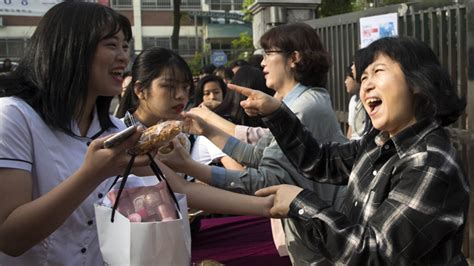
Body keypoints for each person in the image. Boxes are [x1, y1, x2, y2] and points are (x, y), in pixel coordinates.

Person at [0, 2, 272, 265]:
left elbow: (180, 188)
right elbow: (10, 238)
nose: (123, 56)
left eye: (125, 46)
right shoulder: (14, 117)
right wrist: (92, 173)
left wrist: (267, 206)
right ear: (69, 49)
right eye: (111, 45)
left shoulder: (117, 131)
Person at [232, 36, 468, 264]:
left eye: (378, 72)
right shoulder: (378, 143)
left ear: (418, 81)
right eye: (363, 77)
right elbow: (321, 162)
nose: (366, 85)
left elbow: (374, 253)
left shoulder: (428, 163)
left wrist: (300, 203)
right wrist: (276, 111)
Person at [160, 22, 347, 265]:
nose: (262, 63)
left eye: (269, 54)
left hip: (320, 236)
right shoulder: (295, 102)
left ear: (294, 58)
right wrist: (206, 130)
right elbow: (259, 155)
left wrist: (190, 167)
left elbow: (267, 179)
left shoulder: (304, 108)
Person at [344, 63, 367, 139]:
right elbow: (351, 128)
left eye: (347, 78)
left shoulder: (369, 100)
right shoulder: (353, 100)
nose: (345, 82)